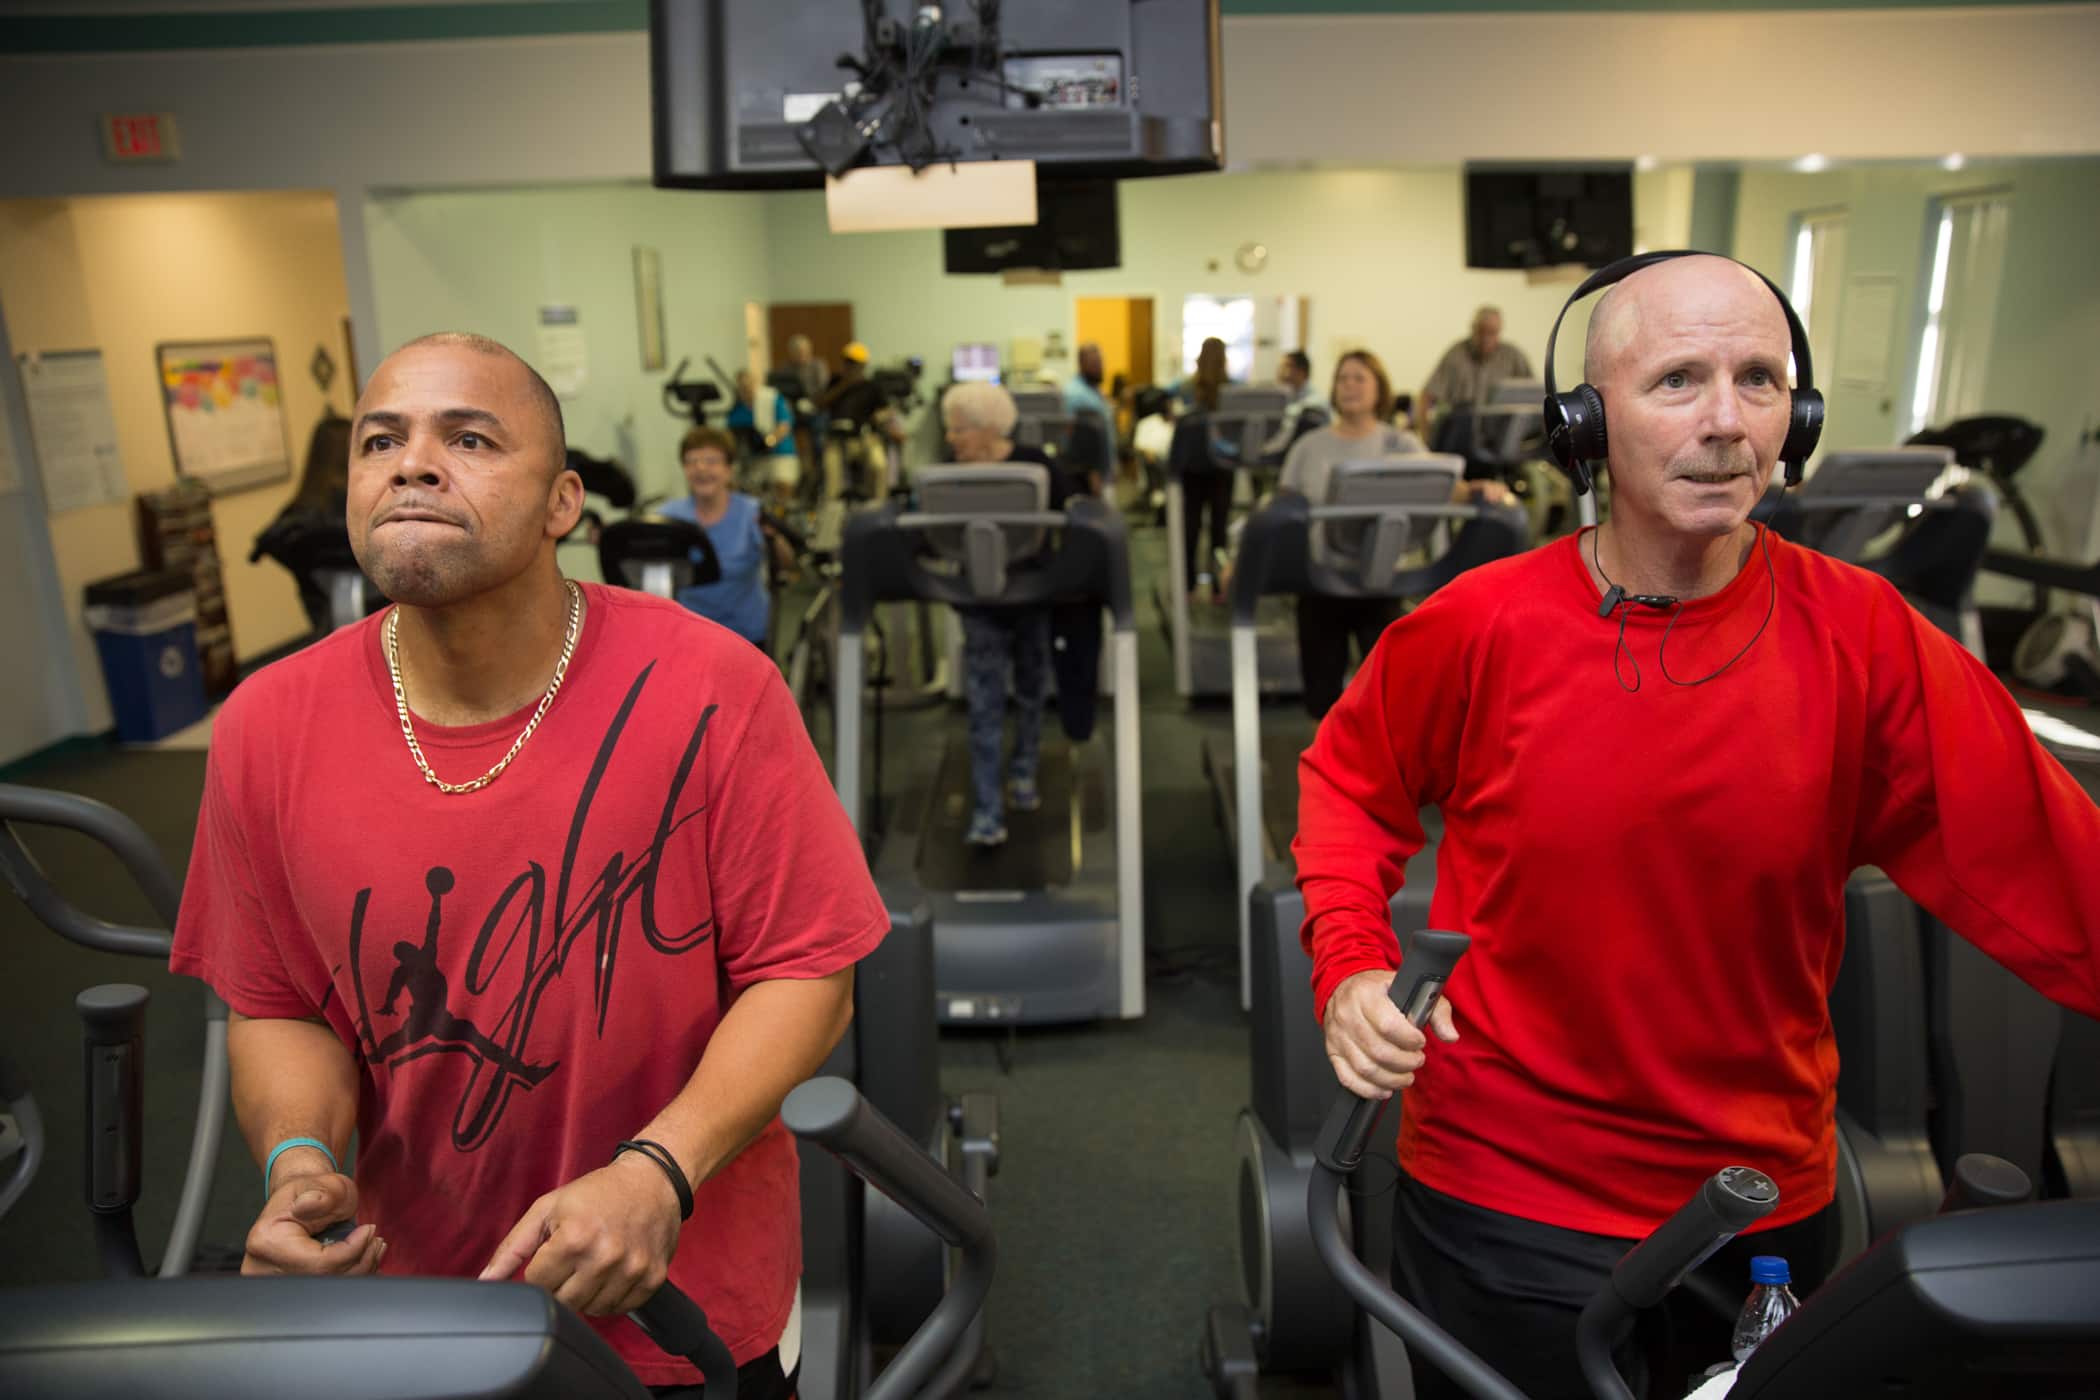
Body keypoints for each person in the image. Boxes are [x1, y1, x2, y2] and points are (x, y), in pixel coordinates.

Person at [1298, 255, 2100, 1400]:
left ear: (1798, 416)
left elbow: (2050, 858)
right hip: (1506, 1190)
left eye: (1760, 380)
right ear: (1588, 423)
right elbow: (1349, 781)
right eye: (1678, 379)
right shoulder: (1477, 626)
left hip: (1758, 1198)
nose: (1727, 421)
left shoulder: (1865, 634)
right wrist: (1349, 960)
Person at [170, 331, 886, 1400]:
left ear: (564, 503)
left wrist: (660, 1169)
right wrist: (298, 1165)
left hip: (682, 1309)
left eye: (468, 437)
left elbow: (810, 972)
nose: (412, 462)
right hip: (414, 1303)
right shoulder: (266, 723)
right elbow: (279, 1001)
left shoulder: (713, 687)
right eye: (380, 440)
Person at [941, 380, 1070, 849]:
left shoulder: (1037, 465)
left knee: (1032, 690)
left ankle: (1023, 772)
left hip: (1031, 595)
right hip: (979, 602)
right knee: (984, 704)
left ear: (988, 428)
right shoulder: (948, 475)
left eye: (959, 430)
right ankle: (987, 810)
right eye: (950, 431)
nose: (952, 439)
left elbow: (1069, 519)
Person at [1277, 349, 1426, 719]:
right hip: (1322, 581)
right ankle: (1324, 770)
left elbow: (1445, 484)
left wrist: (1480, 489)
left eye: (1360, 378)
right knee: (1322, 698)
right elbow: (1282, 509)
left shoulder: (1401, 445)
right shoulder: (1308, 446)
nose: (1349, 385)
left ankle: (1381, 772)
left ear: (1379, 389)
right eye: (1343, 378)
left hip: (1382, 582)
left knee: (1388, 698)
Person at [656, 426, 793, 653]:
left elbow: (787, 563)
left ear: (728, 470)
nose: (701, 468)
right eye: (692, 461)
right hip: (693, 633)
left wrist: (774, 538)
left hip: (747, 635)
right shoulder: (669, 516)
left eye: (711, 461)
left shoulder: (751, 512)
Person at [1167, 336, 1235, 599]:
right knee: (1220, 528)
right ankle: (1220, 588)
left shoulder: (1186, 387)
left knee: (1190, 528)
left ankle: (1188, 587)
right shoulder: (1232, 390)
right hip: (1222, 465)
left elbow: (1167, 400)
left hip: (1192, 466)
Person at [1418, 304, 1533, 440]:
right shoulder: (1456, 354)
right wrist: (1426, 438)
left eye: (1491, 333)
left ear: (1499, 332)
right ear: (1472, 329)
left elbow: (1534, 397)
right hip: (1460, 438)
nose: (1486, 339)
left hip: (1500, 439)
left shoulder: (1513, 357)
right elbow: (1426, 397)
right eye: (1481, 332)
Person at [723, 369, 800, 512]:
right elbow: (729, 434)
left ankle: (782, 514)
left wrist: (769, 441)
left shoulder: (772, 399)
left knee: (782, 482)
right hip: (752, 457)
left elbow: (784, 426)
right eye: (742, 387)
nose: (746, 389)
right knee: (735, 484)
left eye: (749, 385)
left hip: (779, 452)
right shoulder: (737, 409)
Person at [1261, 349, 1327, 459]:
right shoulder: (1287, 397)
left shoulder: (1315, 405)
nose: (1280, 373)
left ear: (1301, 372)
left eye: (1285, 367)